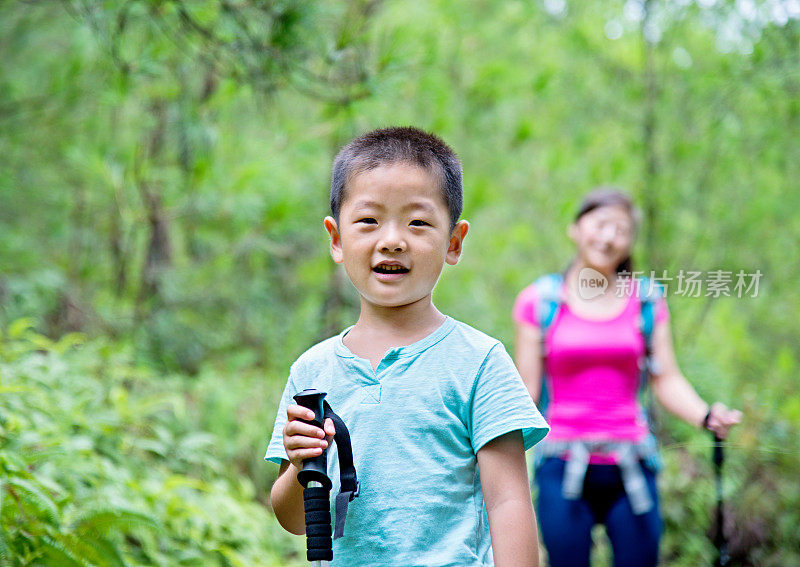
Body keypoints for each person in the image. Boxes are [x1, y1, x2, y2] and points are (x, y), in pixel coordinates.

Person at [266, 126, 549, 566]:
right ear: (336, 239)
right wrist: (299, 463)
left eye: (417, 222)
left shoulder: (480, 362)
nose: (392, 239)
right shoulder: (312, 371)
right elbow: (295, 520)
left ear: (453, 242)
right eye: (368, 221)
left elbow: (508, 502)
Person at [513, 189, 742, 567]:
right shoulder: (541, 301)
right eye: (600, 224)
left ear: (630, 241)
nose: (608, 237)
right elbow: (526, 392)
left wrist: (705, 415)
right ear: (575, 228)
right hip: (561, 463)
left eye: (620, 229)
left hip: (632, 464)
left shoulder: (648, 300)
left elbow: (665, 378)